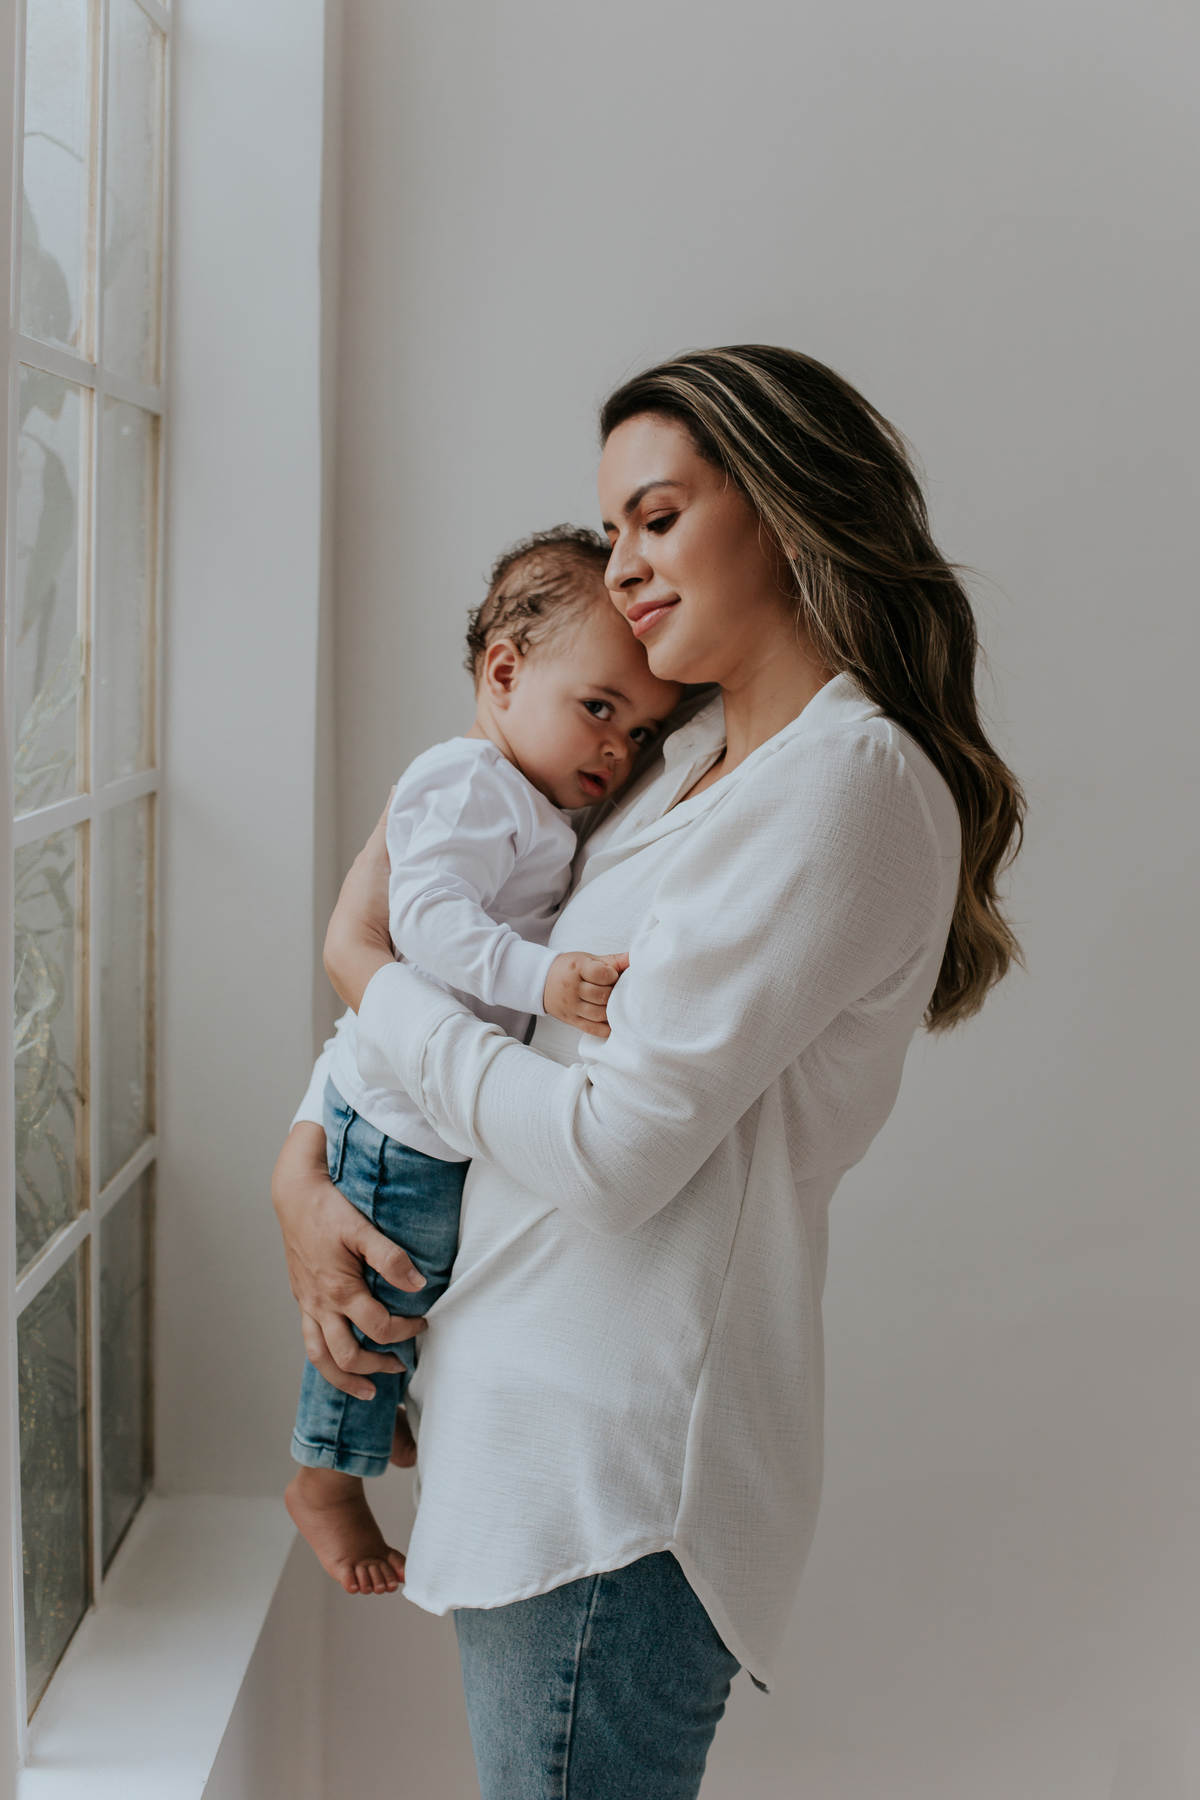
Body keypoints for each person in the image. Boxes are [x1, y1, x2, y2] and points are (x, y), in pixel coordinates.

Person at [273, 345, 1025, 1800]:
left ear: (786, 512)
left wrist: (364, 967)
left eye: (659, 518)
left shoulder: (845, 784)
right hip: (518, 1446)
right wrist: (306, 1160)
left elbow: (610, 1154)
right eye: (612, 527)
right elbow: (479, 997)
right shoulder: (671, 772)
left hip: (609, 1491)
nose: (622, 564)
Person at [284, 526, 682, 1596]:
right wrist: (543, 980)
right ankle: (324, 1475)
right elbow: (425, 923)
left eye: (642, 731)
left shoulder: (531, 799)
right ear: (503, 673)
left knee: (412, 1290)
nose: (618, 750)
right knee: (378, 1292)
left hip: (426, 1109)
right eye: (599, 708)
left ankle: (370, 1417)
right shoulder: (468, 784)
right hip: (397, 1118)